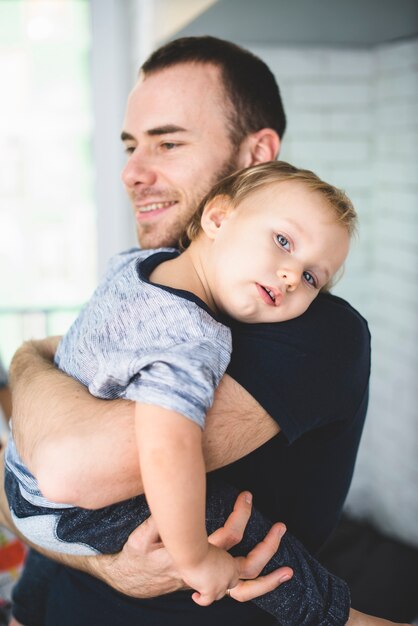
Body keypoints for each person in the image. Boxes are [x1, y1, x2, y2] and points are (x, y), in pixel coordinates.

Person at [2, 36, 406, 626]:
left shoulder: (308, 329)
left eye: (167, 142)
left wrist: (32, 365)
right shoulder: (144, 279)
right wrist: (108, 567)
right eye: (132, 146)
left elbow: (63, 468)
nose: (133, 173)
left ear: (256, 155)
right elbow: (30, 491)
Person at [5, 161, 355, 621]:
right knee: (233, 519)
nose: (291, 275)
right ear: (217, 219)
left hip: (20, 477)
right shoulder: (197, 338)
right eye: (284, 242)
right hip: (66, 512)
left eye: (312, 277)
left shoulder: (134, 264)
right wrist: (195, 558)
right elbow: (168, 442)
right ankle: (337, 615)